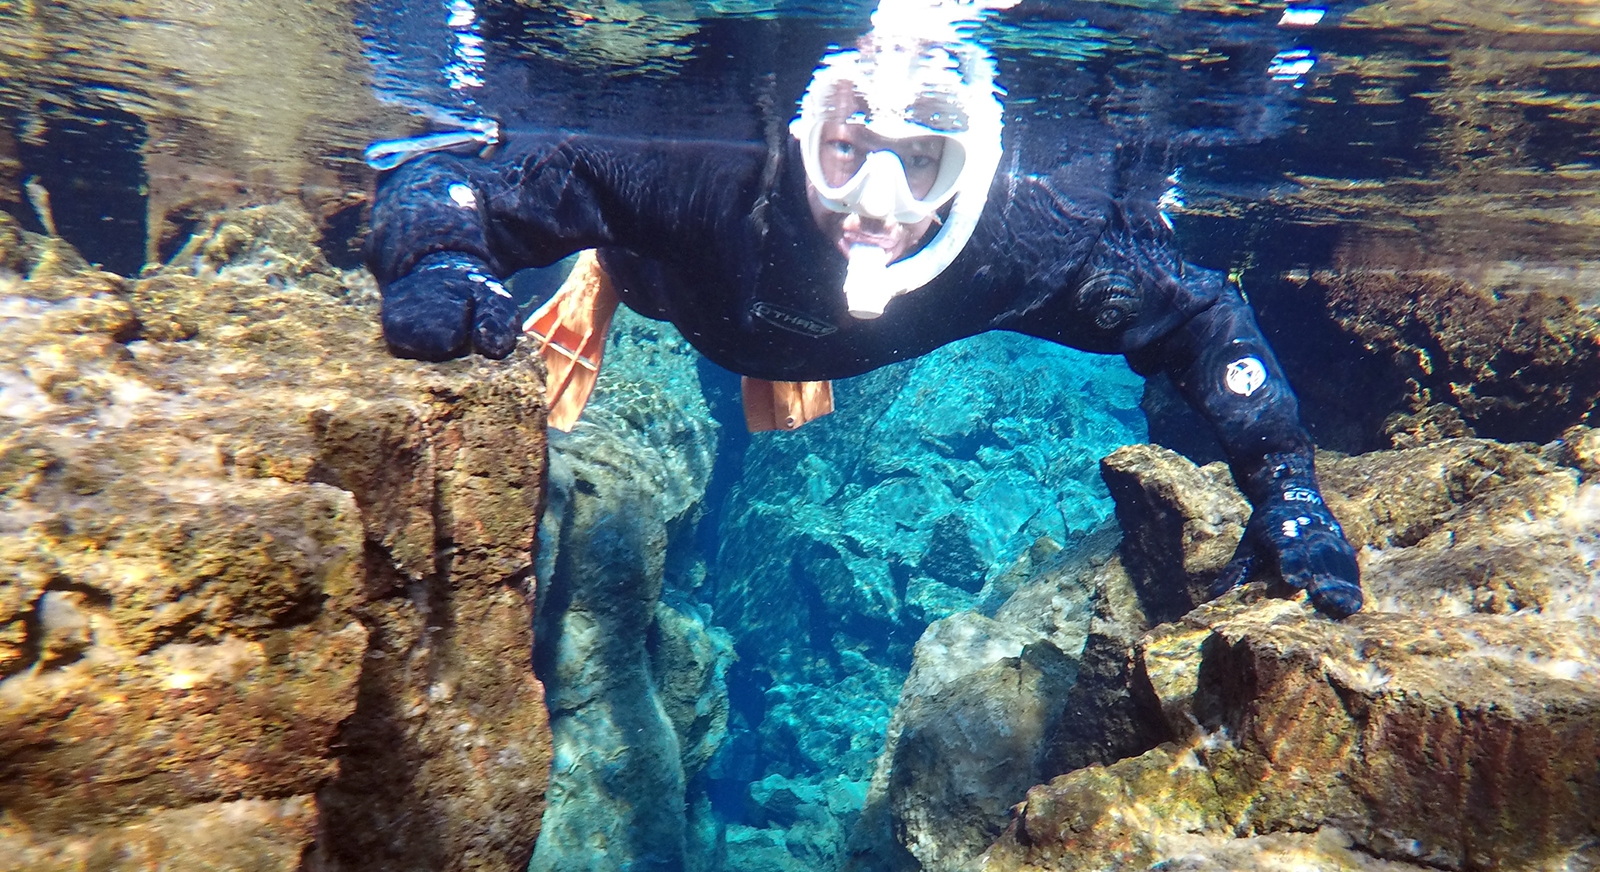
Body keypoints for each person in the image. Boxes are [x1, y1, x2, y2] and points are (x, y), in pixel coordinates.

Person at [363, 2, 1364, 618]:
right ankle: (602, 280)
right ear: (803, 131)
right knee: (626, 253)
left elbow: (1202, 324)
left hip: (784, 322)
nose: (876, 206)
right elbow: (466, 177)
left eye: (921, 159)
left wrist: (1285, 488)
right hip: (682, 283)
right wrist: (441, 261)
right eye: (848, 150)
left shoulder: (1034, 231)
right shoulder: (700, 177)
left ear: (972, 162)